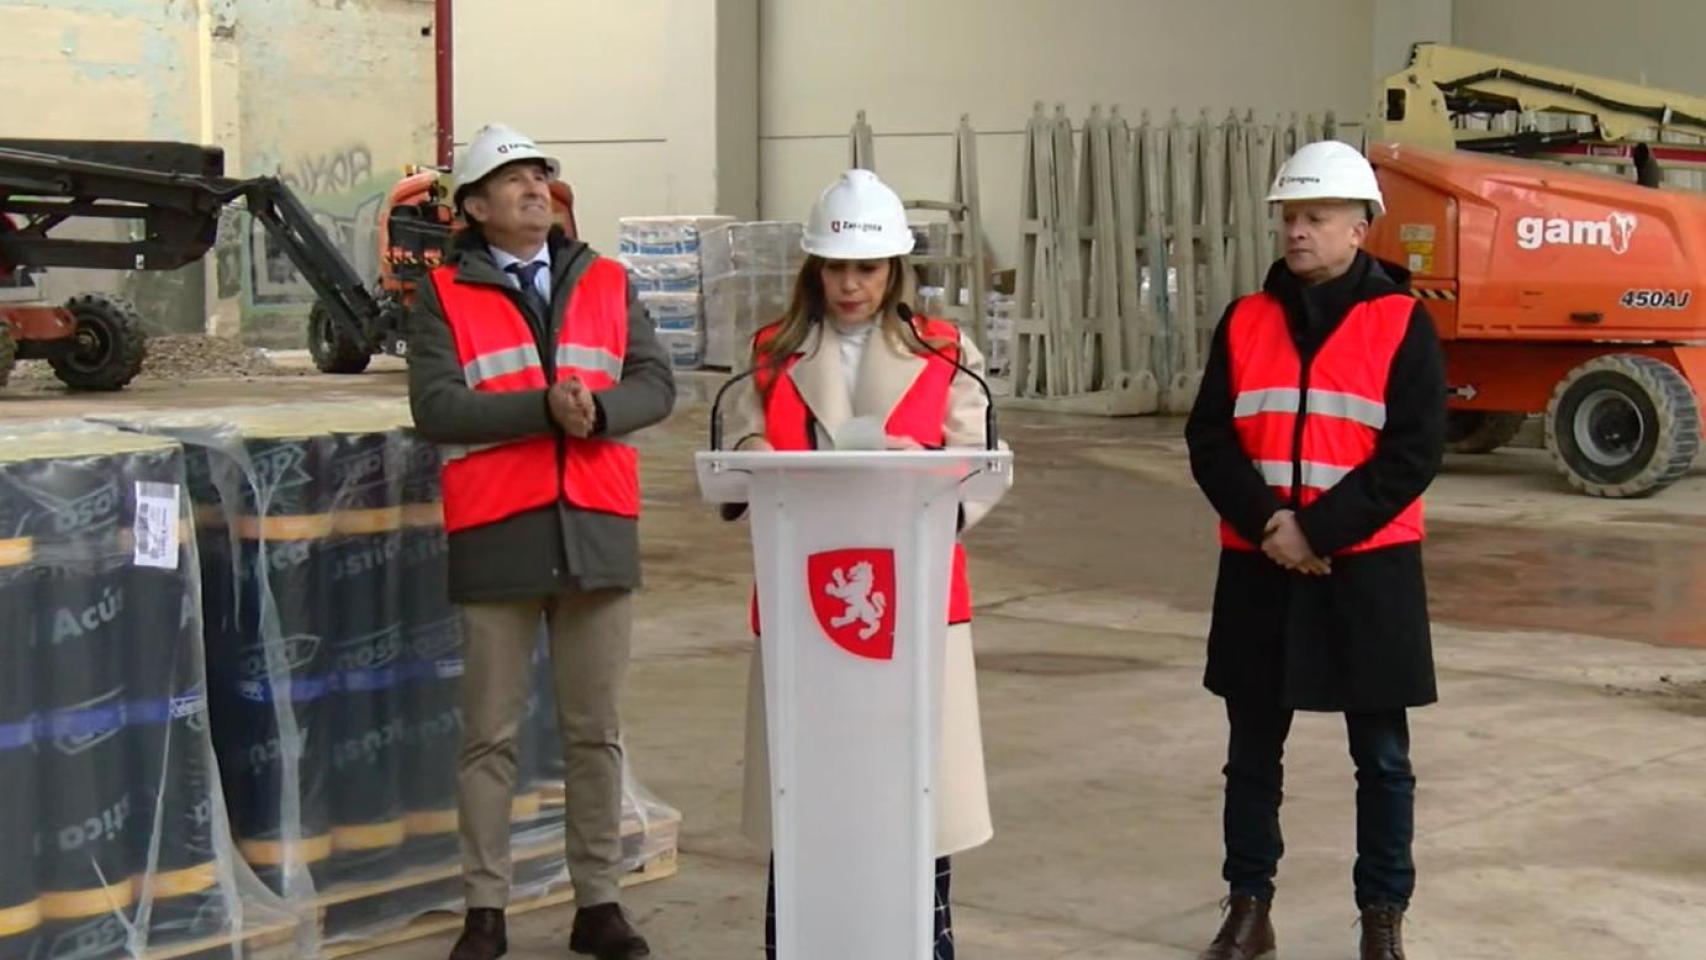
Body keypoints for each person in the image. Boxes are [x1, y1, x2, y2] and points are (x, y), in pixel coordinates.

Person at [407, 123, 675, 960]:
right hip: (499, 533)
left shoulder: (606, 280)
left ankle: (599, 905)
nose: (532, 188)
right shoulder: (443, 295)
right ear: (476, 208)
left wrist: (599, 412)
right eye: (511, 179)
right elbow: (438, 409)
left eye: (539, 176)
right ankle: (484, 911)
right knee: (489, 735)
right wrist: (541, 411)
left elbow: (656, 382)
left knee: (594, 729)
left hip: (596, 526)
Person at [1183, 140, 1447, 960]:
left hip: (1366, 571)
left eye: (1314, 217)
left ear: (1359, 228)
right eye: (1289, 217)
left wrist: (1316, 531)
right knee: (1251, 753)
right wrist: (1272, 526)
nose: (1296, 232)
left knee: (1383, 757)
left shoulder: (1404, 323)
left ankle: (1381, 918)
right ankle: (1249, 906)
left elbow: (1412, 452)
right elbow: (1210, 438)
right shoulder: (1245, 318)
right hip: (1263, 566)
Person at [727, 169, 998, 959]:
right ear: (813, 270)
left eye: (868, 269)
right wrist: (762, 459)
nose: (851, 285)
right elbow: (739, 444)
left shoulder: (947, 353)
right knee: (809, 795)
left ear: (894, 273)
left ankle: (921, 942)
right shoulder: (769, 356)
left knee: (913, 794)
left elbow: (977, 463)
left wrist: (924, 469)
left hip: (914, 601)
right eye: (837, 268)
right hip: (801, 600)